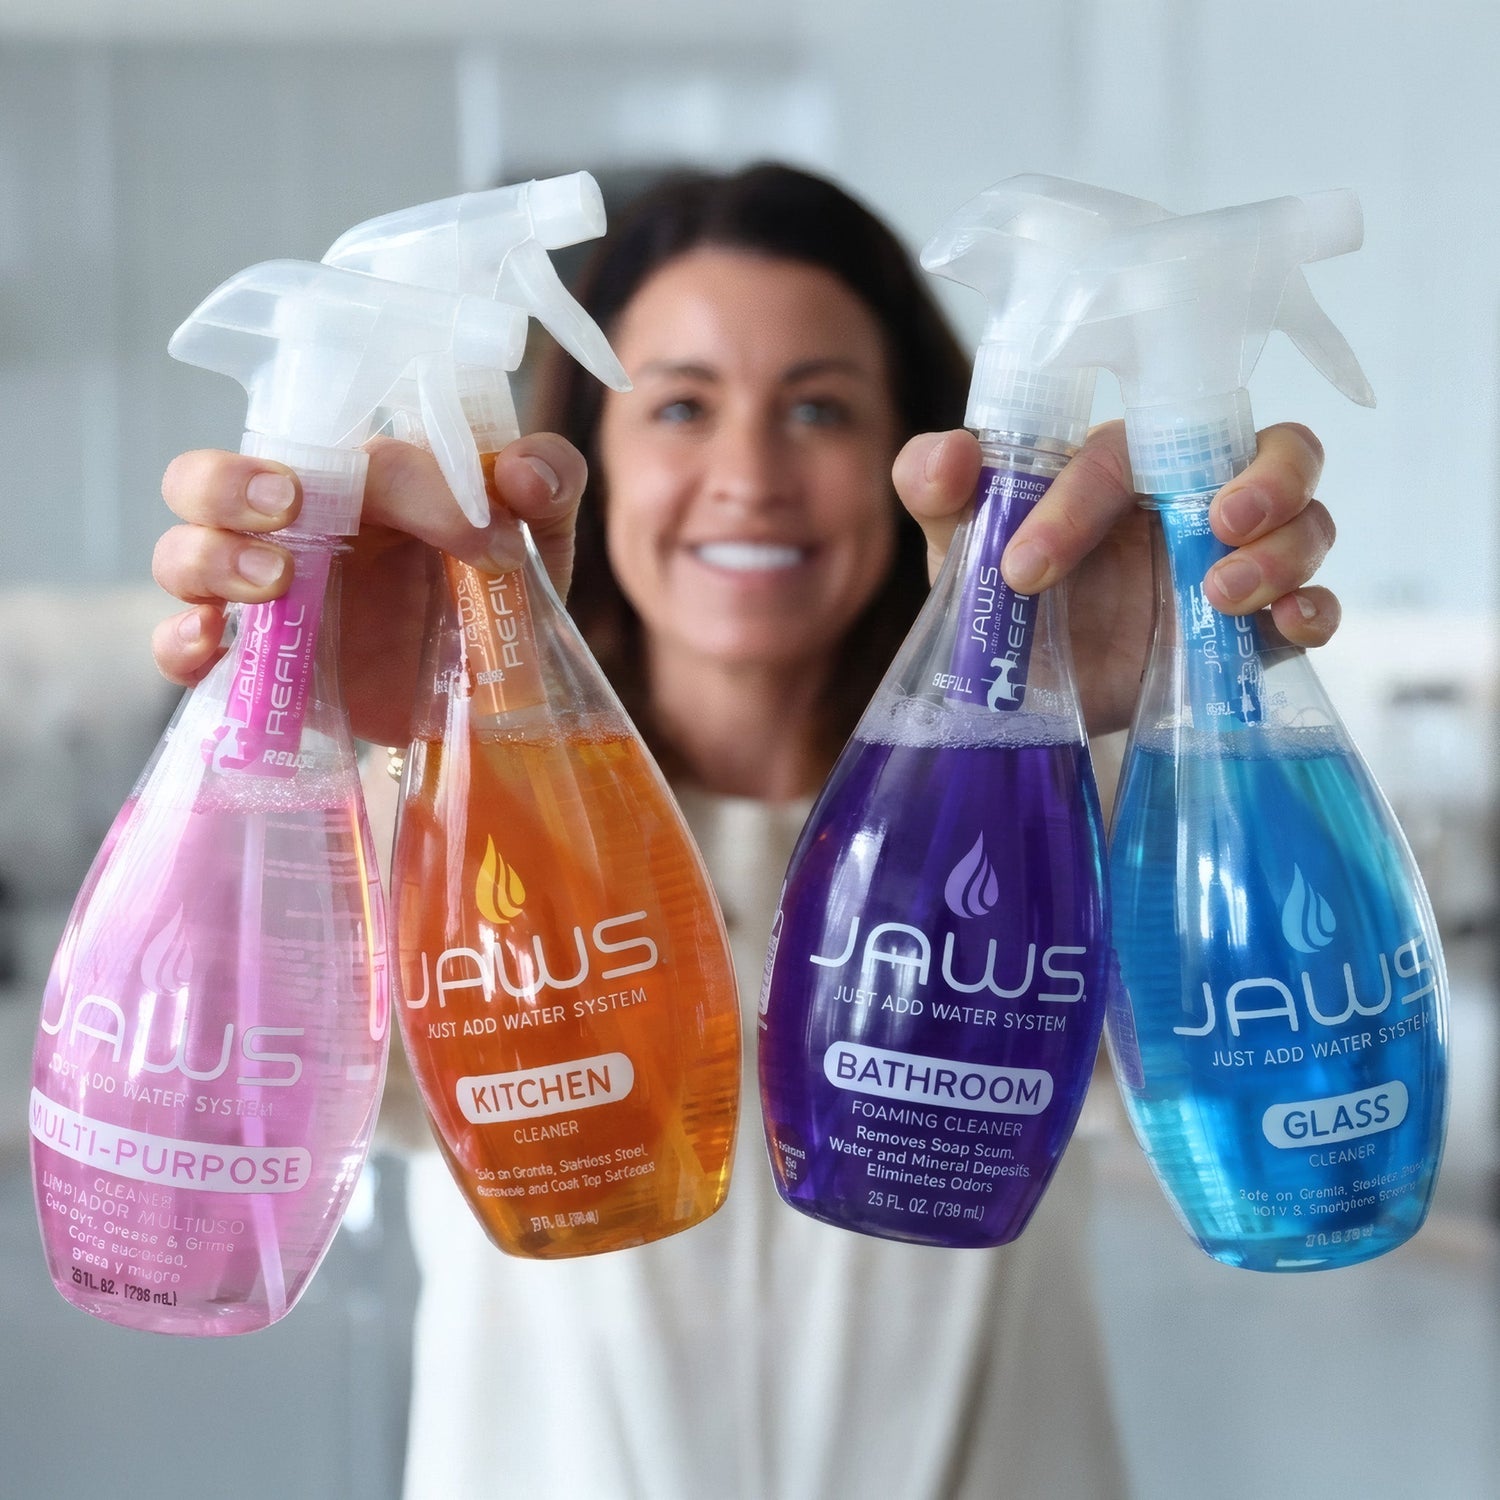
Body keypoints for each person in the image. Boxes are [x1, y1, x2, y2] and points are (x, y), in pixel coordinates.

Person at [151, 164, 1337, 1500]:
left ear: (919, 449)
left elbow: (1268, 1064)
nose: (750, 476)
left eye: (819, 407)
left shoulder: (1064, 821)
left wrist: (1153, 699)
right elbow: (221, 1090)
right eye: (680, 405)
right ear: (583, 444)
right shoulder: (429, 828)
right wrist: (335, 726)